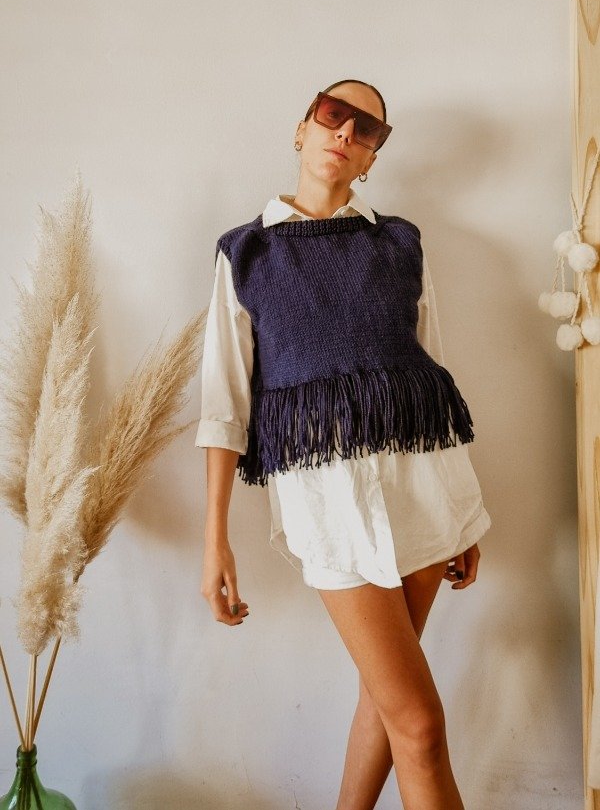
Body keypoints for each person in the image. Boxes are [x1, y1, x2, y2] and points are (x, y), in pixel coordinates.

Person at [197, 78, 492, 810]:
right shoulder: (247, 252)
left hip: (425, 490)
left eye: (367, 130)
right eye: (334, 115)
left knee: (388, 703)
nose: (346, 133)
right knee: (419, 723)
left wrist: (461, 515)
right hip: (327, 504)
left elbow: (431, 371)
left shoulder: (399, 242)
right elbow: (225, 405)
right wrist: (215, 539)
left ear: (371, 158)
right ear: (302, 128)